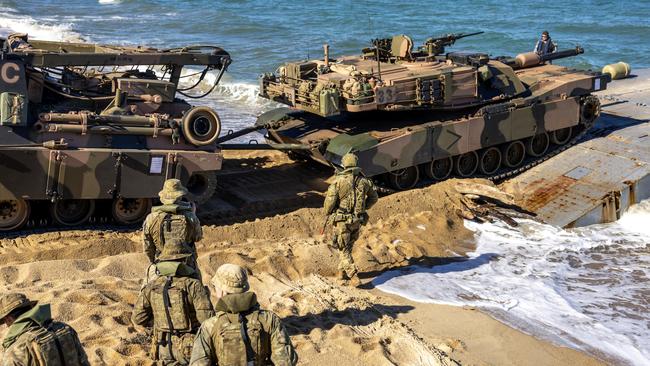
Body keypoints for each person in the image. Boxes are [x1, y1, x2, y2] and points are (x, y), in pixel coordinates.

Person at [189, 264, 298, 366]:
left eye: (216, 286)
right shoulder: (269, 319)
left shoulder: (210, 325)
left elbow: (198, 363)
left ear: (222, 291)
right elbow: (286, 361)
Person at [132, 240, 214, 366]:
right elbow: (207, 321)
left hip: (163, 348)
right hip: (190, 349)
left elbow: (138, 319)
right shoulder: (193, 285)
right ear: (185, 260)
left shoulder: (152, 286)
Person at [323, 152, 378, 285]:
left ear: (344, 165)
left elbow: (329, 204)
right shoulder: (364, 182)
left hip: (342, 221)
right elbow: (374, 198)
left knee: (343, 249)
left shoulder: (337, 182)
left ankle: (354, 276)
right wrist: (364, 208)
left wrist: (328, 213)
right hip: (357, 221)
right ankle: (341, 274)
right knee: (347, 248)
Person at [0, 293, 89, 365]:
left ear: (9, 318)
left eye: (5, 321)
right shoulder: (64, 328)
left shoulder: (16, 349)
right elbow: (84, 361)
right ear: (31, 308)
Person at [142, 178, 203, 284]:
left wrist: (154, 262)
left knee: (145, 293)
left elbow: (147, 248)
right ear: (180, 196)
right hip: (186, 265)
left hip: (160, 265)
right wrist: (193, 214)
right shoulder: (190, 217)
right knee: (200, 288)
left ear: (163, 197)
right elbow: (197, 237)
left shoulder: (151, 218)